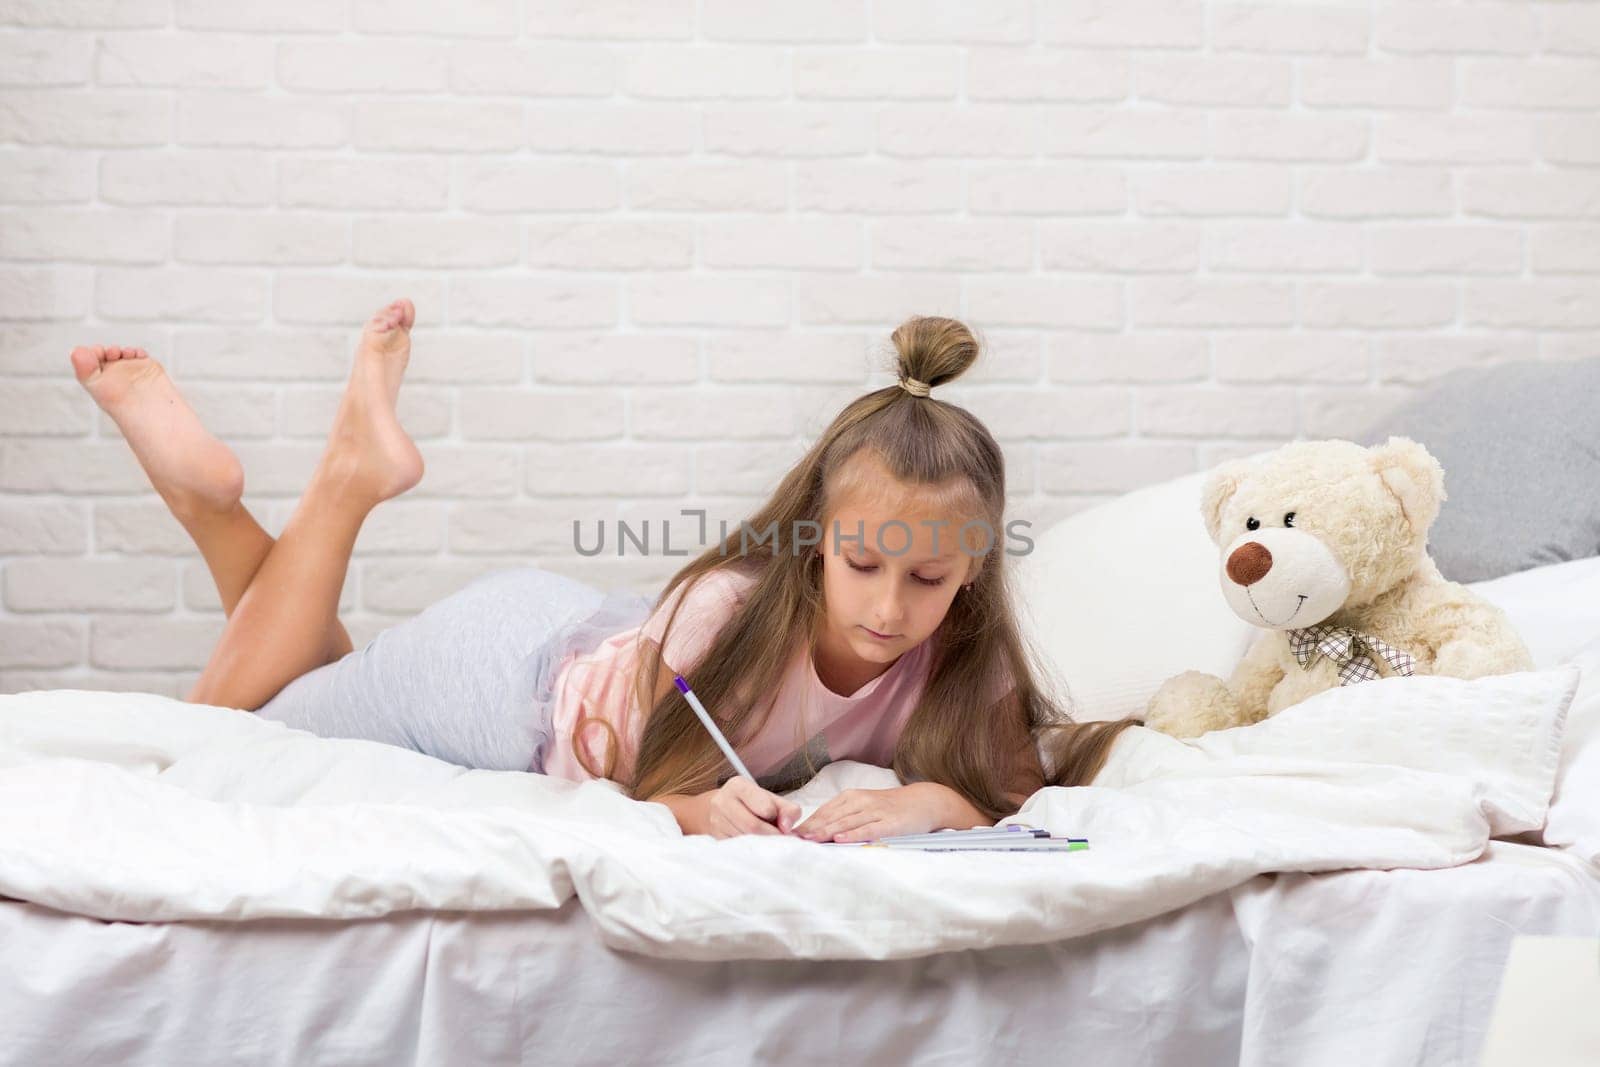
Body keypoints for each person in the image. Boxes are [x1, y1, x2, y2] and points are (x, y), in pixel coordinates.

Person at [69, 302, 1141, 841]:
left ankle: (212, 508)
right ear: (814, 537)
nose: (890, 606)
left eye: (930, 580)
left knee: (282, 678)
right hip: (503, 678)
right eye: (863, 563)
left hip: (589, 628)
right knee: (230, 727)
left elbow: (1012, 789)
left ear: (971, 574)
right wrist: (693, 812)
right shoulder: (725, 616)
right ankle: (347, 479)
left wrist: (924, 803)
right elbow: (627, 787)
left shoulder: (961, 650)